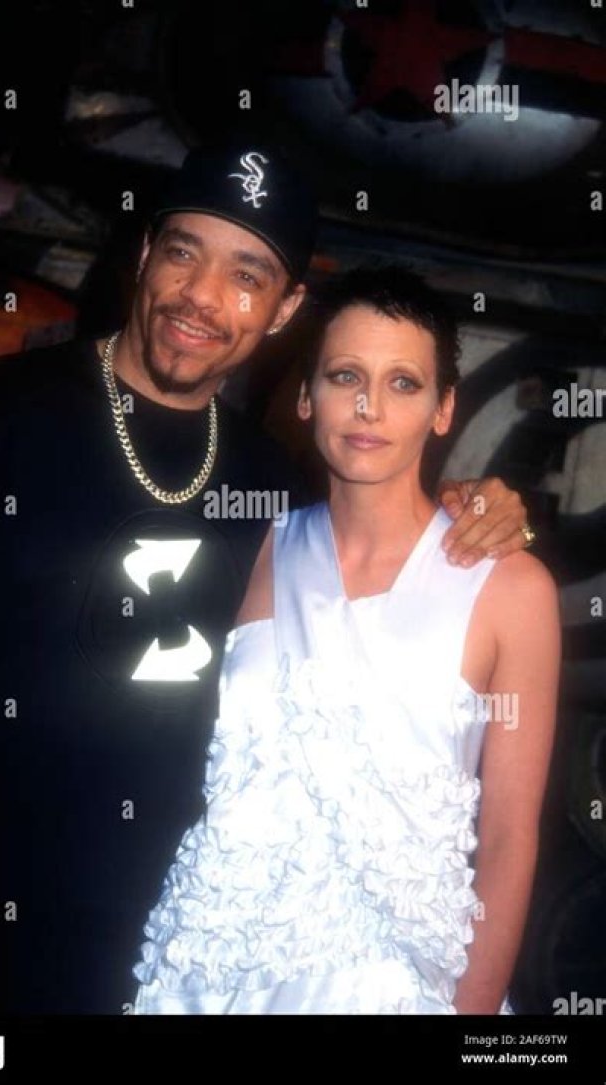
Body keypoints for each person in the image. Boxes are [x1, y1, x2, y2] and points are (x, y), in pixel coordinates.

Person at [0, 146, 531, 1015]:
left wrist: (477, 506)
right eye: (184, 252)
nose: (201, 296)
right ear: (144, 253)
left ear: (285, 308)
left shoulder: (277, 490)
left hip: (163, 963)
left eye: (247, 275)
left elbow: (386, 548)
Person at [132, 267, 560, 1015]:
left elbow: (509, 837)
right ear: (306, 396)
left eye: (403, 383)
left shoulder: (511, 588)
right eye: (345, 376)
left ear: (443, 408)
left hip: (401, 987)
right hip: (210, 976)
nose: (369, 407)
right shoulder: (244, 546)